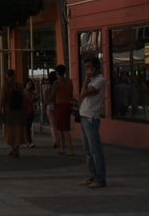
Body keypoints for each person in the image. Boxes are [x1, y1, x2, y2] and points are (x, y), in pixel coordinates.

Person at [78, 56, 107, 188]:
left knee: (95, 150)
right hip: (84, 115)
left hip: (91, 117)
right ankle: (91, 175)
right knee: (88, 150)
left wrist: (85, 79)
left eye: (89, 67)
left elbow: (84, 93)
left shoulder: (100, 80)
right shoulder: (92, 80)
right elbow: (81, 94)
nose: (87, 70)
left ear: (96, 67)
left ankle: (100, 178)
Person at [46, 64, 75, 155]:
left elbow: (53, 94)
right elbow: (71, 94)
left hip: (60, 105)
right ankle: (63, 149)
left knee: (63, 129)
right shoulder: (70, 82)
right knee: (64, 127)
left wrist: (46, 102)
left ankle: (69, 150)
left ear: (57, 73)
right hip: (68, 105)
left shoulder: (57, 83)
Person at [0, 69, 25, 158]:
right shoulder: (19, 86)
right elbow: (23, 98)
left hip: (9, 110)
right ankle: (16, 147)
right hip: (19, 110)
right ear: (15, 76)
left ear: (7, 76)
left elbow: (2, 99)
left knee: (9, 129)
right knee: (18, 129)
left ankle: (12, 147)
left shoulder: (5, 86)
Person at [42, 70, 58, 148]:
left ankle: (55, 140)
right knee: (59, 124)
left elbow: (45, 96)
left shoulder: (46, 87)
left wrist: (45, 104)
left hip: (50, 105)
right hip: (58, 105)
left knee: (52, 124)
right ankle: (60, 140)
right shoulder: (58, 85)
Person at [23, 79, 37, 148]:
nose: (29, 86)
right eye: (28, 84)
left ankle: (26, 141)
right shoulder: (23, 93)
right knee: (27, 127)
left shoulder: (32, 93)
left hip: (31, 111)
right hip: (25, 112)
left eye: (30, 84)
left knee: (27, 127)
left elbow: (34, 100)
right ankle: (29, 141)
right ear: (25, 85)